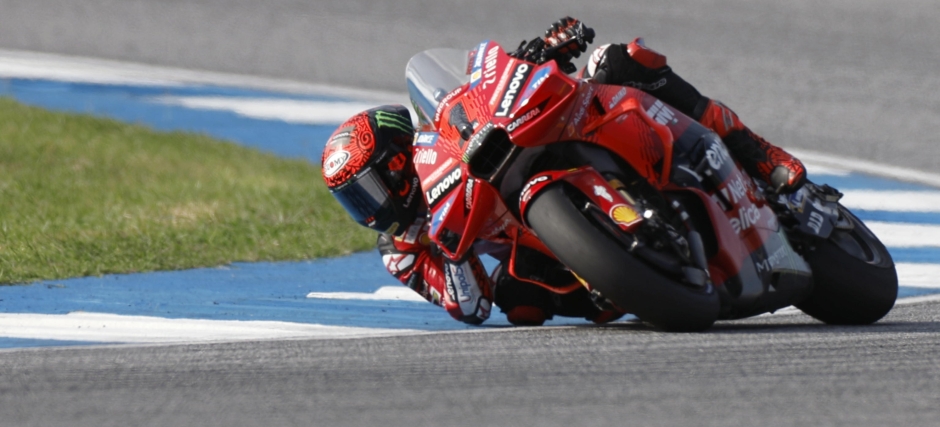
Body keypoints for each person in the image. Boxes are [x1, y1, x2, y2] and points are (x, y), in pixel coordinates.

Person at [319, 17, 806, 327]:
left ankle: (757, 152)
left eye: (370, 189)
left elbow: (480, 88)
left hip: (547, 140)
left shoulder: (441, 139)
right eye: (356, 200)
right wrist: (446, 249)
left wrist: (538, 51)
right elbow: (470, 305)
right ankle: (621, 276)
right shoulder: (401, 252)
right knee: (521, 304)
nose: (372, 208)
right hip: (538, 245)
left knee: (621, 61)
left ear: (400, 160)